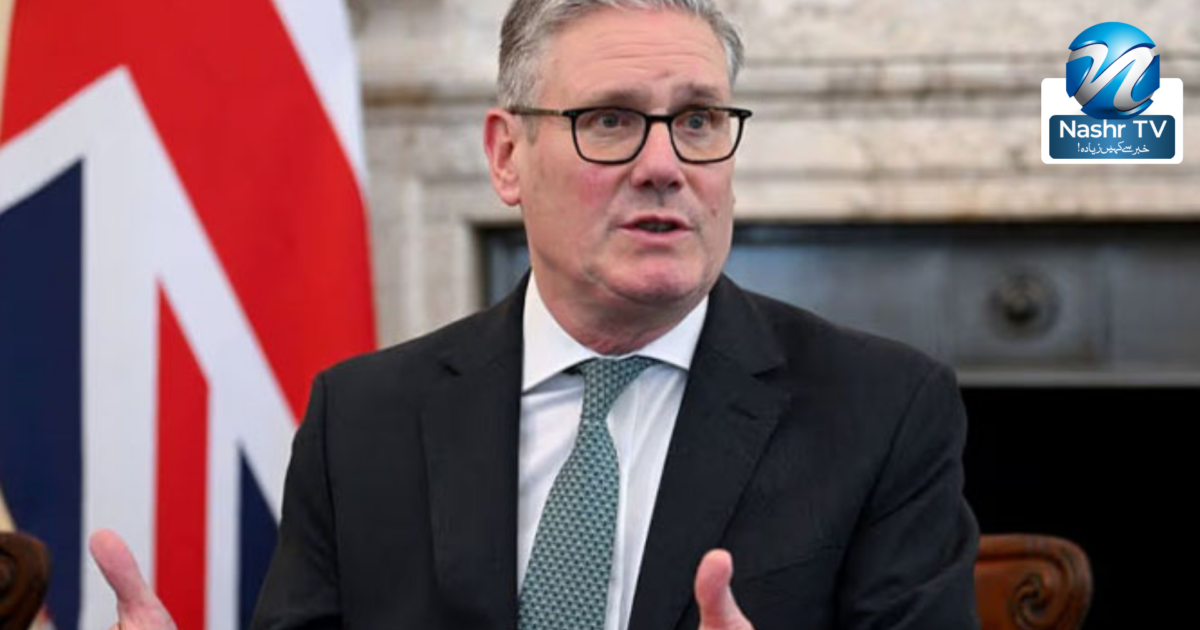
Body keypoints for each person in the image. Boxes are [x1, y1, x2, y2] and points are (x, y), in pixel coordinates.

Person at [90, 1, 980, 629]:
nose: (665, 165)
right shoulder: (360, 417)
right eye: (610, 120)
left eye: (699, 120)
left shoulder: (881, 409)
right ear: (507, 157)